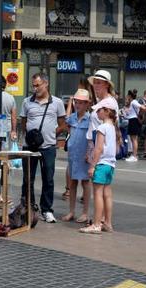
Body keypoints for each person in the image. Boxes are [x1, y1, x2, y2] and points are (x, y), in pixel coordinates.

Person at [20, 73, 66, 223]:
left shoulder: (57, 102)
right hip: (29, 147)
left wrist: (52, 134)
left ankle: (46, 209)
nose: (35, 88)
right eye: (33, 85)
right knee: (28, 178)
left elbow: (62, 124)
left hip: (48, 147)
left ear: (46, 84)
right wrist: (30, 135)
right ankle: (29, 207)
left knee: (48, 179)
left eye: (37, 85)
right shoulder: (27, 102)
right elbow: (23, 122)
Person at [81, 105, 119, 234]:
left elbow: (98, 148)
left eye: (99, 110)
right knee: (107, 194)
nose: (96, 113)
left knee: (97, 194)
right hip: (110, 164)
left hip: (101, 163)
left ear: (107, 111)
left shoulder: (102, 128)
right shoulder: (113, 128)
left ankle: (96, 224)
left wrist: (92, 165)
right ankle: (107, 223)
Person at [62, 89, 92, 224]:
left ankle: (85, 212)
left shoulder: (90, 119)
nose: (78, 105)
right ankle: (71, 211)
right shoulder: (72, 118)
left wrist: (89, 154)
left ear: (87, 104)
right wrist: (69, 104)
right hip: (73, 154)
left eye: (81, 103)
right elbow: (66, 121)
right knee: (72, 182)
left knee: (85, 183)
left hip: (84, 154)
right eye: (76, 102)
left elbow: (92, 139)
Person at [0, 74, 18, 151]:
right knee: (5, 150)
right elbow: (14, 116)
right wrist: (14, 130)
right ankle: (4, 162)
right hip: (7, 126)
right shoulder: (11, 97)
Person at [122, 90, 141, 161]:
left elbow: (141, 107)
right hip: (132, 120)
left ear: (130, 96)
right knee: (133, 139)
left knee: (134, 139)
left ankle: (134, 155)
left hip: (133, 120)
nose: (126, 97)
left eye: (127, 95)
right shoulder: (132, 102)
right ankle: (134, 155)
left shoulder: (133, 102)